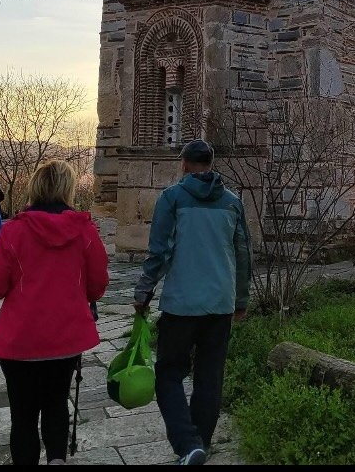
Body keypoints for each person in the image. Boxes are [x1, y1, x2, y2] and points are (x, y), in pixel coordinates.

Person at [0, 159, 109, 466]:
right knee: (56, 404)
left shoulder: (13, 232)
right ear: (68, 189)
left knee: (22, 415)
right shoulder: (84, 230)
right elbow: (98, 285)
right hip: (65, 338)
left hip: (19, 340)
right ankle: (57, 460)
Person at [133, 139, 251, 466]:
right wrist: (241, 297)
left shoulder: (172, 198)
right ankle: (203, 442)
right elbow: (242, 252)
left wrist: (144, 291)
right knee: (210, 376)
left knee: (169, 373)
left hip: (182, 304)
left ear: (184, 164)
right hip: (220, 302)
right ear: (211, 164)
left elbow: (159, 252)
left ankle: (188, 444)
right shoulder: (231, 203)